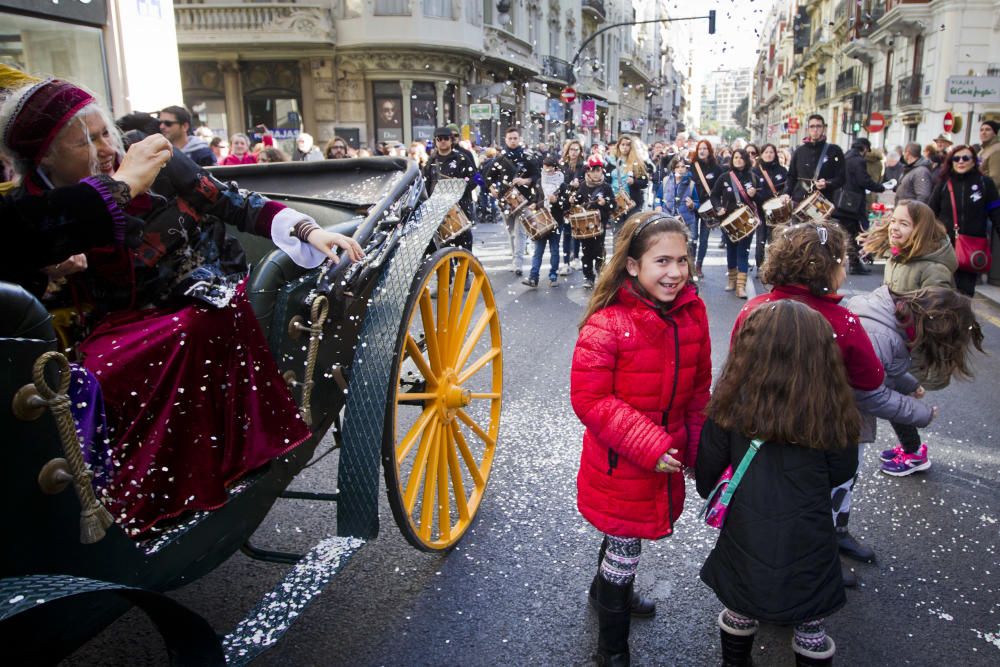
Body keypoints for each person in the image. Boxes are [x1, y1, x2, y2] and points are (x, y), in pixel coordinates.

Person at [0, 71, 364, 536]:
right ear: (42, 160)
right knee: (79, 380)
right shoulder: (31, 206)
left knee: (118, 366)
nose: (107, 149)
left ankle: (137, 498)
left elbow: (231, 201)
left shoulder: (150, 156)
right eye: (85, 143)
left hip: (197, 304)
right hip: (110, 324)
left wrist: (307, 230)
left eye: (103, 133)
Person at [572, 213, 711, 666]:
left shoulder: (694, 314)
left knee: (623, 538)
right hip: (621, 460)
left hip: (662, 457)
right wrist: (650, 445)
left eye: (682, 261)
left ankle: (605, 591)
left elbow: (698, 391)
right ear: (633, 265)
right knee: (625, 543)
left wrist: (696, 450)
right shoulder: (608, 323)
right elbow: (590, 401)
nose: (675, 272)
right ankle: (611, 649)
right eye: (662, 261)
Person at [699, 299, 860, 667]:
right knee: (811, 621)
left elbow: (708, 464)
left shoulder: (732, 401)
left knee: (739, 607)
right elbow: (842, 470)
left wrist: (711, 489)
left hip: (746, 527)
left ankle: (735, 662)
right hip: (811, 532)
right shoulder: (832, 407)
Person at [733, 222, 887, 584]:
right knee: (821, 501)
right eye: (843, 261)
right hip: (824, 429)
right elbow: (871, 378)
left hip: (762, 427)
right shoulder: (842, 319)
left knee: (772, 502)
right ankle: (818, 564)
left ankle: (768, 564)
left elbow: (738, 367)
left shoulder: (754, 308)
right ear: (827, 267)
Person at [849, 286, 982, 478]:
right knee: (842, 481)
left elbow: (882, 369)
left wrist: (909, 384)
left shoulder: (887, 318)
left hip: (833, 407)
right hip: (838, 419)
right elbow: (868, 393)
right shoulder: (882, 335)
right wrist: (921, 413)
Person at [927, 144, 1000, 297]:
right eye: (956, 158)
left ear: (974, 161)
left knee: (965, 293)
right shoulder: (944, 184)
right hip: (945, 247)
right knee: (944, 290)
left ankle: (963, 320)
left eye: (966, 158)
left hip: (972, 247)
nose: (961, 161)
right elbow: (930, 213)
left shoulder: (985, 184)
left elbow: (996, 213)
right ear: (951, 161)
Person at [833, 137, 888, 275]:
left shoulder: (844, 158)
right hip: (853, 203)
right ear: (864, 148)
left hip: (841, 202)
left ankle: (851, 262)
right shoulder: (859, 161)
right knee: (856, 233)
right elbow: (864, 180)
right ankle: (854, 264)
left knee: (848, 233)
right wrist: (880, 187)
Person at [710, 148, 760, 298]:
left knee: (743, 251)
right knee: (731, 250)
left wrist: (754, 194)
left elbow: (760, 198)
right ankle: (732, 280)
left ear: (746, 160)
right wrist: (718, 208)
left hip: (747, 220)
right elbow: (714, 195)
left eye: (741, 157)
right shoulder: (724, 177)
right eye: (736, 157)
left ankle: (740, 287)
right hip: (728, 220)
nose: (738, 160)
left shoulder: (752, 177)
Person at [423, 126, 476, 251]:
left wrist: (460, 188)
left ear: (451, 140)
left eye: (446, 138)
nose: (442, 141)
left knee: (464, 246)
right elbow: (425, 186)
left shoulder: (462, 158)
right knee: (443, 250)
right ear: (435, 141)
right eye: (439, 138)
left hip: (461, 207)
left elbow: (477, 179)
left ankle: (465, 270)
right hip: (439, 211)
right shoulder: (430, 163)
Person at [570, 155, 614, 289]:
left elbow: (614, 204)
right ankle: (588, 277)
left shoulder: (606, 187)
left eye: (598, 170)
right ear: (588, 171)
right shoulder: (583, 185)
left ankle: (601, 273)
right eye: (593, 170)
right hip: (585, 226)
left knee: (599, 250)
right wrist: (572, 199)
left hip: (600, 224)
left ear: (602, 171)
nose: (596, 173)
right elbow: (576, 201)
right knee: (587, 252)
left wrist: (605, 203)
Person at [524, 155, 565, 288]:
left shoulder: (562, 183)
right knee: (538, 250)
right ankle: (533, 277)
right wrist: (533, 204)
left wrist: (557, 201)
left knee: (554, 250)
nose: (547, 169)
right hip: (541, 220)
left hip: (557, 220)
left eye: (550, 166)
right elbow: (535, 197)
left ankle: (553, 276)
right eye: (545, 166)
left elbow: (566, 204)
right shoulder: (539, 181)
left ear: (555, 168)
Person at [786, 114, 845, 205]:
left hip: (823, 203)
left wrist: (827, 183)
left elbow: (842, 178)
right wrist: (786, 193)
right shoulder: (799, 151)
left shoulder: (834, 150)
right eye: (812, 126)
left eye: (818, 126)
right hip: (799, 202)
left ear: (824, 128)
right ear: (808, 129)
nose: (815, 129)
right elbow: (791, 176)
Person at [607, 135, 651, 241]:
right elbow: (606, 180)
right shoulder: (611, 162)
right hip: (616, 201)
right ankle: (617, 256)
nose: (625, 147)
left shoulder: (637, 163)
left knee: (631, 233)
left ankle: (629, 257)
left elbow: (644, 182)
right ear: (618, 146)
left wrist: (634, 182)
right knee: (617, 234)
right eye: (623, 144)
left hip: (632, 203)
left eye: (628, 145)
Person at [752, 143, 789, 269]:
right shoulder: (755, 171)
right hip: (761, 210)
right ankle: (760, 266)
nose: (769, 154)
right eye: (766, 152)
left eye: (771, 152)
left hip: (778, 211)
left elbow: (787, 188)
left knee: (775, 241)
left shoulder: (782, 170)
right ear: (761, 154)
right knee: (760, 240)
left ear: (775, 154)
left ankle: (774, 266)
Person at [690, 139, 722, 279]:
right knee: (692, 238)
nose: (702, 151)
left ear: (709, 151)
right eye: (700, 148)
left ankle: (699, 265)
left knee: (704, 238)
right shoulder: (691, 166)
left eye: (705, 148)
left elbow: (719, 188)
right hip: (692, 206)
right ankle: (690, 265)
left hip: (708, 208)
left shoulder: (716, 168)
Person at [659, 156, 699, 268]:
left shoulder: (691, 184)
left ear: (687, 169)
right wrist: (657, 206)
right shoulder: (666, 181)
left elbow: (697, 203)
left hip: (687, 221)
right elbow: (658, 197)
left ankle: (689, 270)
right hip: (668, 219)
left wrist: (692, 205)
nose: (680, 169)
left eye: (683, 167)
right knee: (668, 245)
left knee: (688, 246)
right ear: (673, 168)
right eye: (677, 167)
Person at [560, 139, 587, 272]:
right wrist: (570, 184)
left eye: (576, 149)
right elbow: (559, 182)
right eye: (571, 149)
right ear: (567, 151)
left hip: (579, 202)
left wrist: (579, 183)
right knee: (566, 232)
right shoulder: (563, 165)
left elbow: (588, 181)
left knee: (577, 231)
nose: (574, 152)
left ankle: (575, 257)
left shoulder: (584, 166)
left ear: (580, 151)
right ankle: (566, 262)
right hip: (565, 202)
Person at [979, 120, 1000, 188]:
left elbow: (995, 179)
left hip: (990, 194)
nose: (983, 132)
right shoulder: (985, 149)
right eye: (981, 130)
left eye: (987, 130)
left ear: (995, 133)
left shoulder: (997, 150)